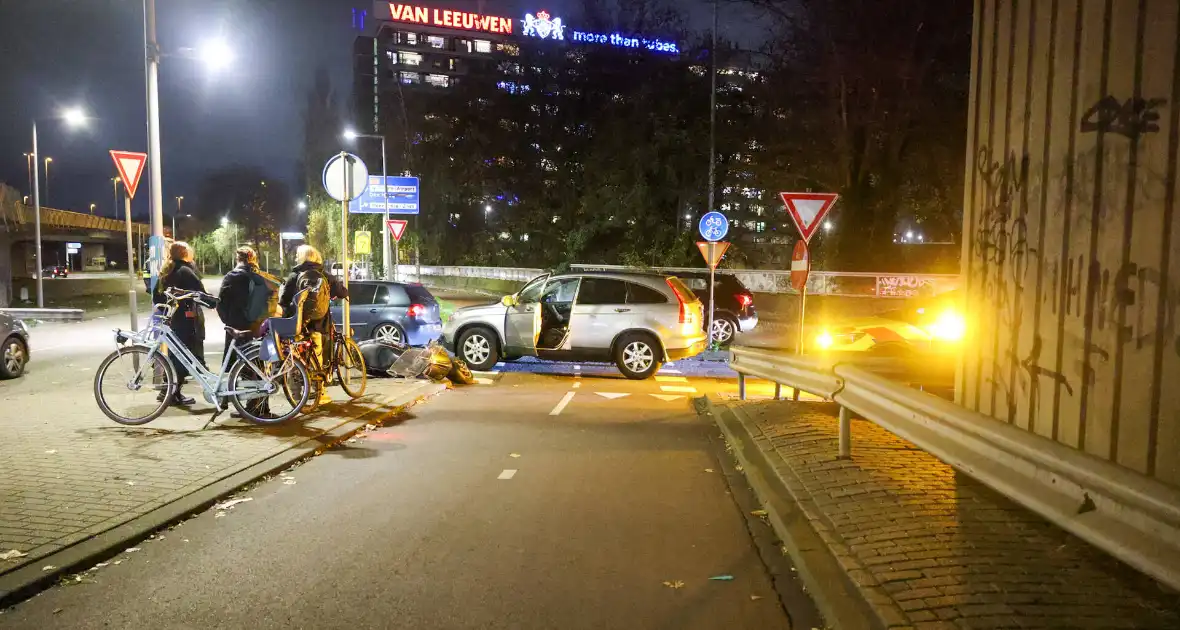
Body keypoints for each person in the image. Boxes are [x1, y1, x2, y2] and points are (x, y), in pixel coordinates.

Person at [279, 245, 347, 406]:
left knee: (295, 358)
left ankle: (295, 396)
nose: (295, 257)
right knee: (317, 356)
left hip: (297, 324)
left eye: (297, 255)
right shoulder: (325, 275)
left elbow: (284, 300)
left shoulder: (295, 275)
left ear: (302, 257)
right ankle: (320, 394)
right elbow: (343, 292)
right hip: (319, 324)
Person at [152, 241, 208, 406]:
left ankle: (169, 391)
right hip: (188, 319)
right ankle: (170, 392)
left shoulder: (167, 270)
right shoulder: (185, 271)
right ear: (184, 254)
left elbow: (157, 297)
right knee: (188, 355)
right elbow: (201, 294)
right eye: (190, 251)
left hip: (173, 319)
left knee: (176, 354)